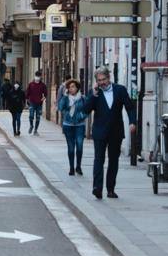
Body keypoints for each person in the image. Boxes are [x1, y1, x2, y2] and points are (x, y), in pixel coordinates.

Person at [81, 66, 136, 199]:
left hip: (116, 132)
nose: (102, 83)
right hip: (99, 131)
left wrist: (132, 122)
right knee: (99, 159)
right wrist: (93, 95)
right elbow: (85, 110)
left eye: (104, 79)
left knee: (113, 161)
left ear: (109, 78)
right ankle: (97, 188)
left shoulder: (120, 90)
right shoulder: (94, 93)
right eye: (99, 80)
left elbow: (130, 107)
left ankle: (110, 189)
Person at [57, 79, 87, 176]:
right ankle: (71, 168)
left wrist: (81, 116)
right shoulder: (66, 98)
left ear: (77, 88)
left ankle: (78, 166)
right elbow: (60, 108)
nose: (71, 89)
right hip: (68, 125)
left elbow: (87, 110)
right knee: (70, 147)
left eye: (73, 87)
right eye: (69, 87)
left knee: (79, 146)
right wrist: (65, 97)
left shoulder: (82, 98)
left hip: (79, 126)